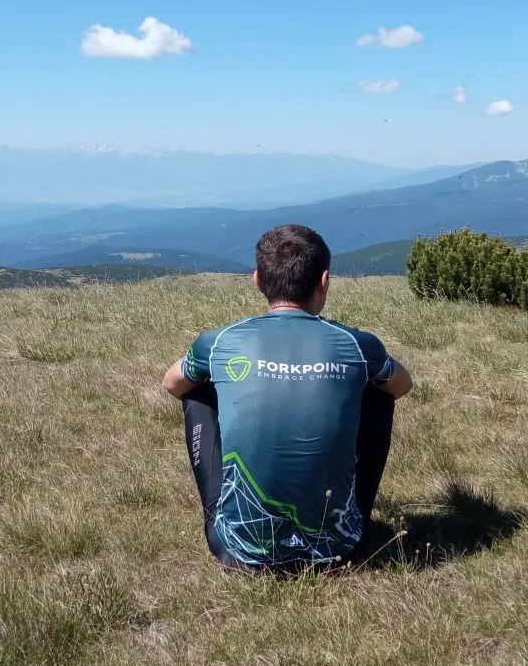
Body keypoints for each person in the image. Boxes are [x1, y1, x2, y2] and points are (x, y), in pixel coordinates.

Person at [161, 223, 413, 571]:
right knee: (379, 390)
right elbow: (402, 385)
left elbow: (172, 384)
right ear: (324, 281)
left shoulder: (219, 341)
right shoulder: (358, 344)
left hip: (238, 552)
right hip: (340, 550)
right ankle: (351, 518)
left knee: (197, 388)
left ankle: (223, 517)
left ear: (257, 281)